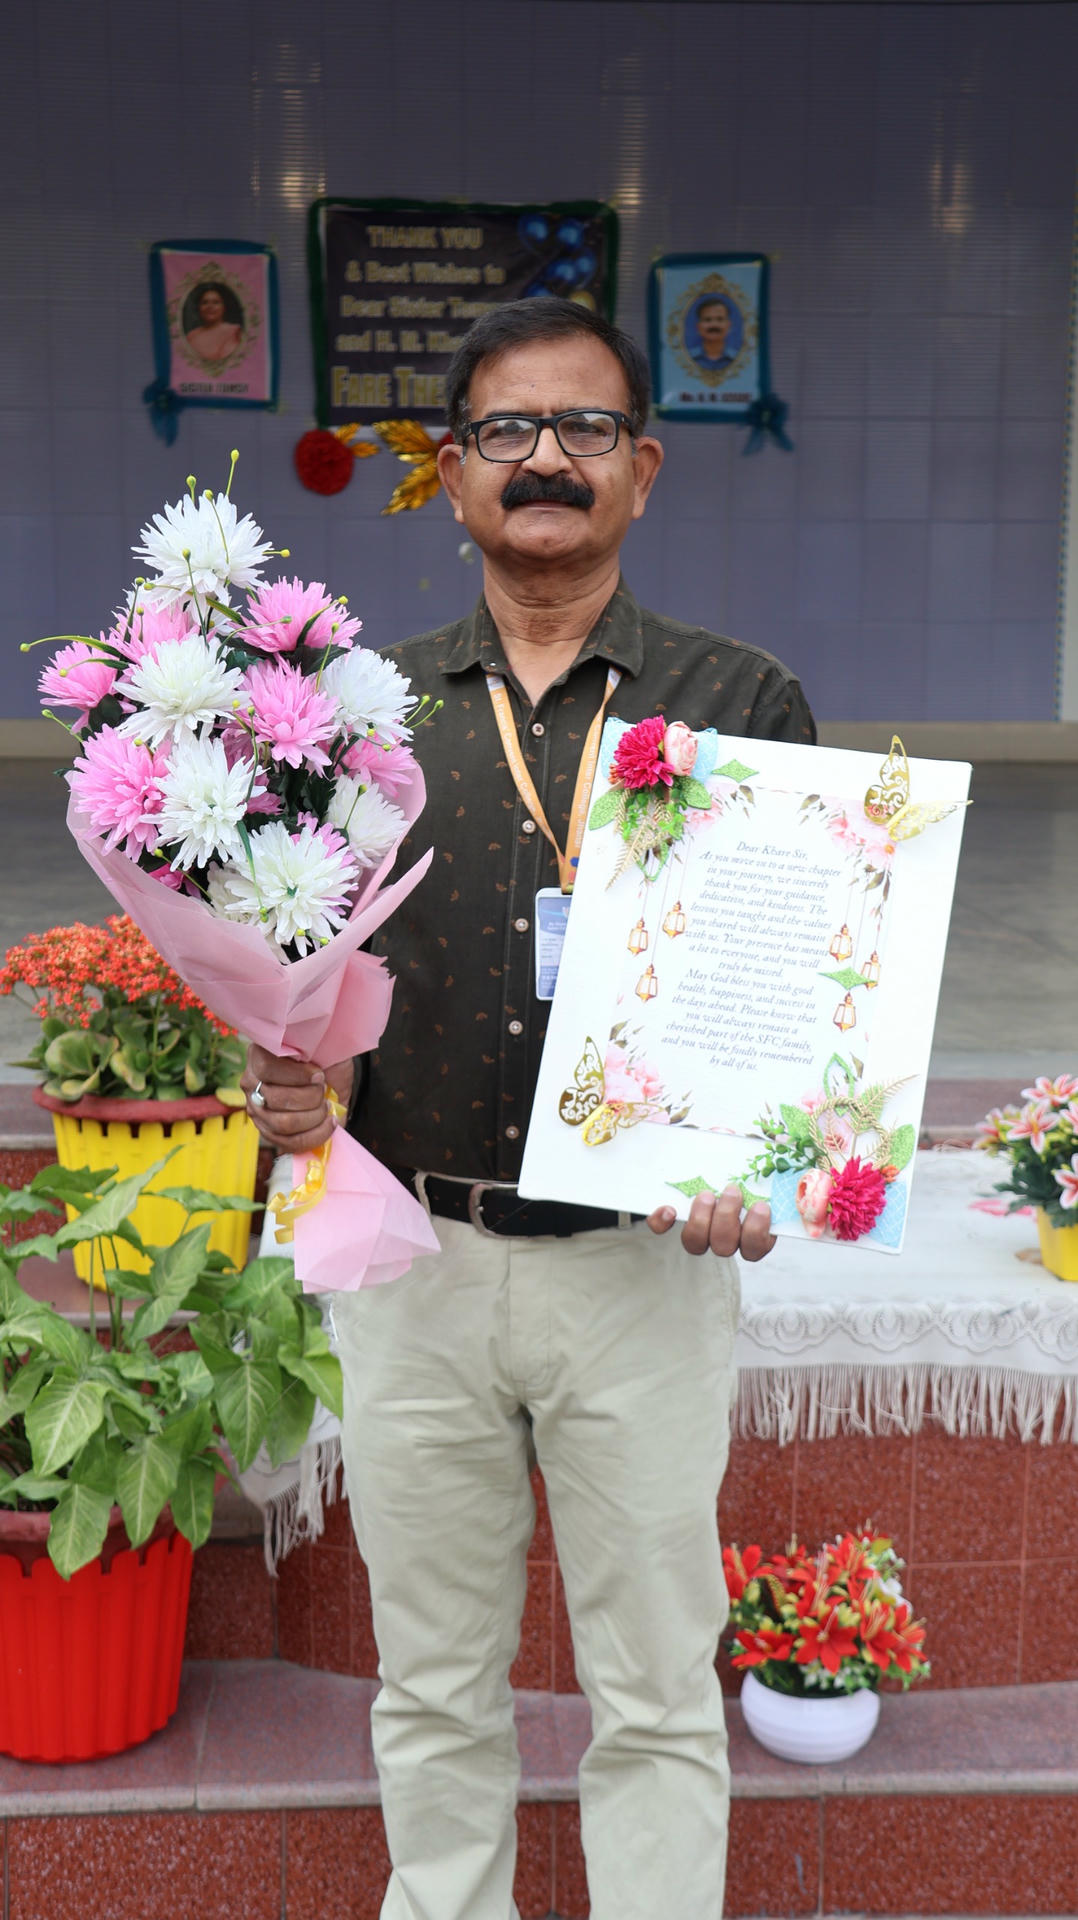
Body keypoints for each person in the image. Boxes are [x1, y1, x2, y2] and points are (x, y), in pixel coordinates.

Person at [243, 297, 815, 1920]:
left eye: (583, 428)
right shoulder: (359, 719)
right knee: (431, 1682)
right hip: (414, 1264)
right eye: (506, 429)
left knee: (656, 1690)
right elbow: (317, 977)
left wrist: (762, 1154)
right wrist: (294, 1081)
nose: (544, 457)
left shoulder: (739, 702)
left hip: (642, 1274)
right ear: (451, 471)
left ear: (642, 468)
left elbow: (785, 986)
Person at [183, 282, 244, 363]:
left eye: (216, 302)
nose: (210, 306)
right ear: (199, 308)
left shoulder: (235, 332)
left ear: (224, 307)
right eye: (205, 302)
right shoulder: (191, 336)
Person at [688, 294, 737, 372]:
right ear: (698, 327)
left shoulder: (738, 359)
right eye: (707, 320)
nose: (714, 324)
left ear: (729, 326)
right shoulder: (687, 358)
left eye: (720, 319)